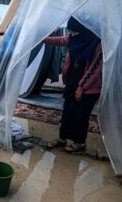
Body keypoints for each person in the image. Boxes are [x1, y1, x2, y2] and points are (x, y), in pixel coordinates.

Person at [43, 17, 103, 152]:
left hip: (89, 88)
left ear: (84, 30)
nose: (72, 34)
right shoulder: (73, 39)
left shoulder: (97, 44)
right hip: (72, 81)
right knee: (67, 112)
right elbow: (59, 40)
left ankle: (80, 142)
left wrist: (81, 88)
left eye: (75, 31)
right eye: (71, 31)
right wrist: (42, 39)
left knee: (81, 116)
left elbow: (95, 69)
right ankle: (62, 139)